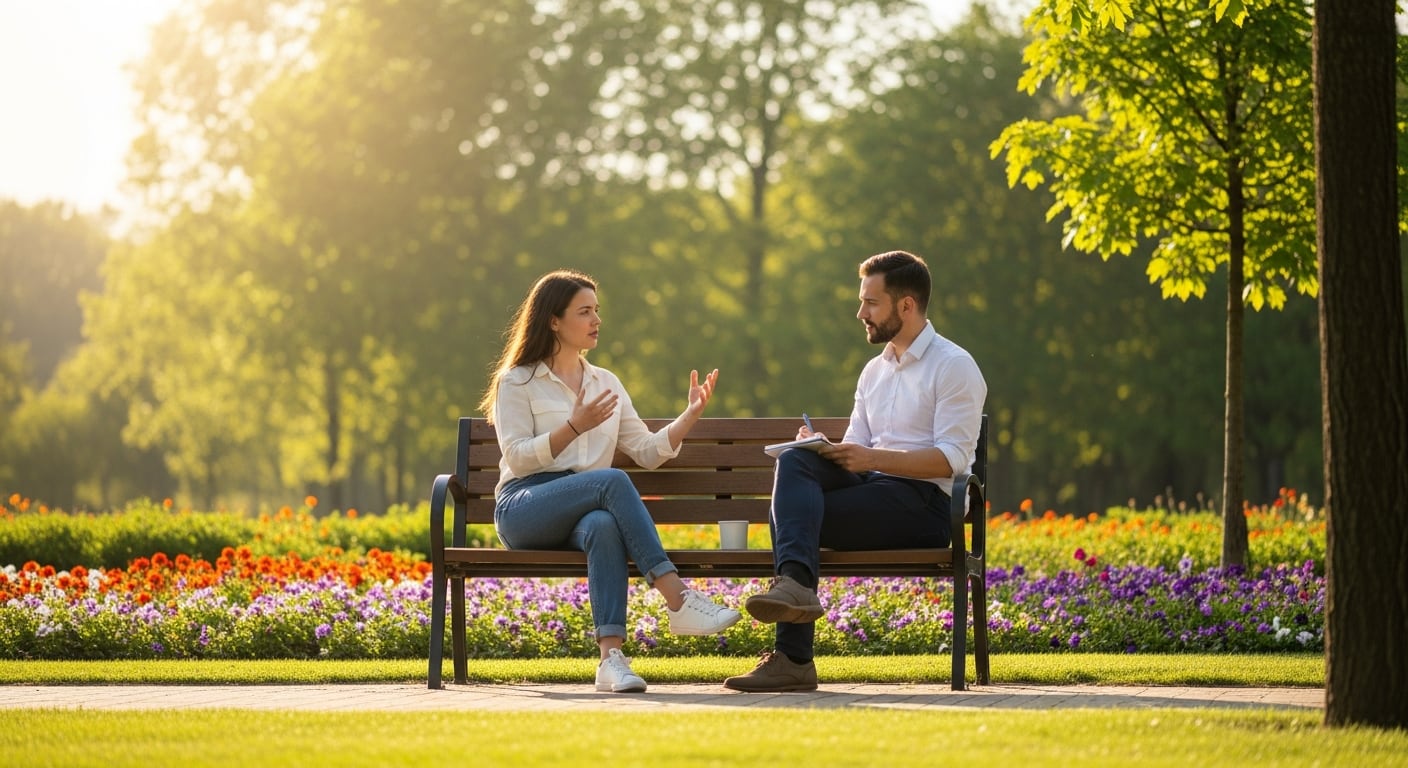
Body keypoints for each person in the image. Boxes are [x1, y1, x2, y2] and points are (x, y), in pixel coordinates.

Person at [723, 250, 987, 693]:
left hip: (924, 507)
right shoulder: (874, 371)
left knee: (796, 515)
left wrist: (872, 460)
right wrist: (820, 448)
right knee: (795, 461)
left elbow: (952, 460)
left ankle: (793, 657)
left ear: (906, 305)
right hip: (873, 492)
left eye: (871, 302)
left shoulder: (954, 366)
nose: (860, 312)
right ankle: (794, 592)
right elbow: (857, 448)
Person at [479, 269, 742, 693]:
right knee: (611, 481)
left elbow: (648, 451)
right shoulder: (517, 381)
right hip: (525, 504)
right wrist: (573, 427)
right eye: (584, 312)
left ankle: (611, 661)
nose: (596, 320)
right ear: (553, 321)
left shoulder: (607, 383)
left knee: (603, 524)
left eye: (597, 311)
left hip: (585, 510)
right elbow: (518, 458)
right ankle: (677, 599)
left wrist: (687, 418)